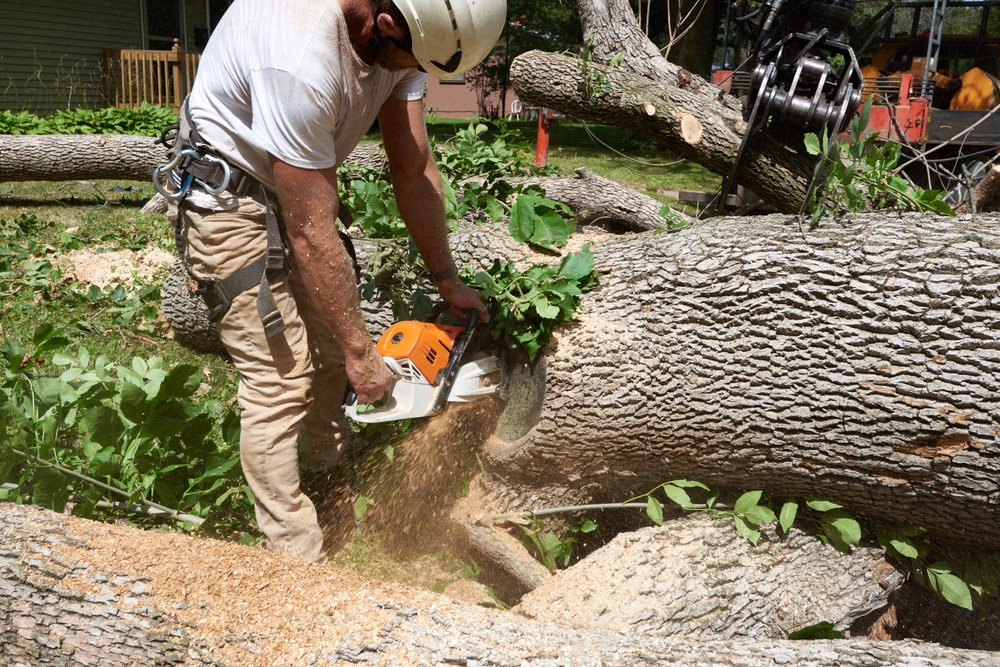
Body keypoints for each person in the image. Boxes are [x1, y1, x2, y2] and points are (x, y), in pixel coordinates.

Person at [164, 0, 505, 563]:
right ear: (387, 24)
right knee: (280, 377)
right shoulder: (300, 54)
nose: (409, 72)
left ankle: (327, 493)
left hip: (294, 189)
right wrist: (361, 352)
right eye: (411, 61)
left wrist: (446, 279)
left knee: (326, 357)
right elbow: (310, 234)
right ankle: (299, 564)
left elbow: (412, 167)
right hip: (228, 198)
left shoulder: (411, 36)